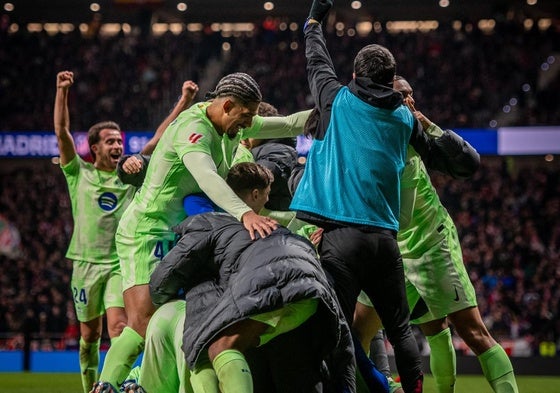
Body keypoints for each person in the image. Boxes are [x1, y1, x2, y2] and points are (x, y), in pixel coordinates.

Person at [93, 72, 311, 392]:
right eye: (245, 116)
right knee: (143, 323)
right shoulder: (193, 129)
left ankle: (140, 382)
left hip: (186, 235)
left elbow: (291, 124)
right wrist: (245, 213)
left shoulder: (232, 123)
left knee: (183, 319)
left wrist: (333, 111)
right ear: (226, 105)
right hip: (149, 231)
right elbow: (207, 176)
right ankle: (106, 384)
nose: (249, 124)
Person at [290, 1, 429, 391]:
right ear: (390, 80)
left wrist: (315, 22)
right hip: (386, 241)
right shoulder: (404, 118)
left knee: (340, 327)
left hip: (342, 238)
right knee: (400, 328)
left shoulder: (337, 101)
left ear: (355, 75)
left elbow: (317, 60)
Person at [353, 76, 519, 393]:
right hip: (389, 248)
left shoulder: (418, 133)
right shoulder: (371, 135)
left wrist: (429, 124)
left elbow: (469, 163)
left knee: (471, 331)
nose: (410, 101)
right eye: (402, 96)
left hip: (431, 242)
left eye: (412, 95)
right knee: (369, 333)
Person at [149, 162, 355, 393]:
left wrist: (159, 298)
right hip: (314, 296)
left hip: (275, 290)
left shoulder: (212, 222)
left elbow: (166, 274)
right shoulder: (278, 229)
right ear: (255, 194)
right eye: (267, 195)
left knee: (219, 348)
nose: (267, 201)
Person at [53, 71, 198, 393]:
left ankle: (126, 381)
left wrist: (184, 101)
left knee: (123, 327)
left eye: (120, 140)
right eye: (111, 141)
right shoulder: (79, 172)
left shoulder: (129, 173)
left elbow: (159, 139)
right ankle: (90, 386)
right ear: (94, 147)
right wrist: (62, 90)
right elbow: (62, 133)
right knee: (88, 337)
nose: (118, 145)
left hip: (120, 263)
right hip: (85, 264)